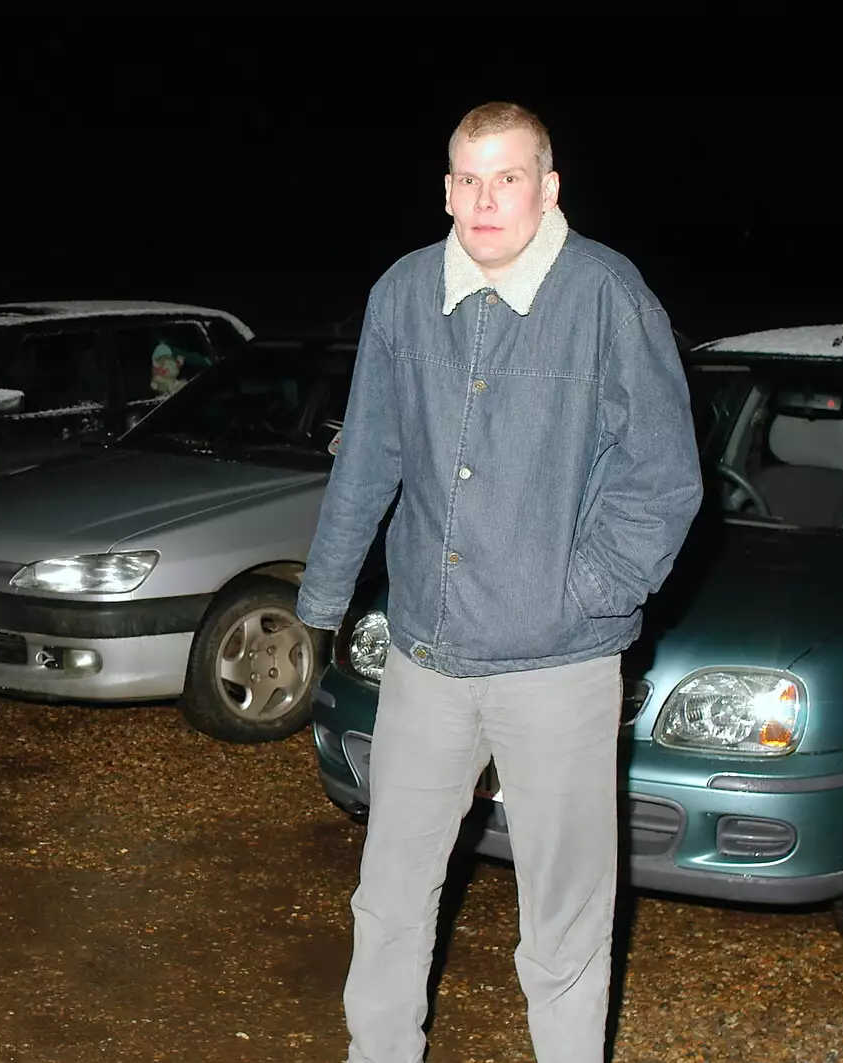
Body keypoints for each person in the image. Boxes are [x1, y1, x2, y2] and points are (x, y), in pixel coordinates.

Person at [295, 101, 703, 1063]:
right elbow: (369, 463)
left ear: (548, 187)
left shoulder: (608, 297)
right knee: (389, 888)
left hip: (556, 668)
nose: (486, 200)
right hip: (427, 657)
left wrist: (587, 592)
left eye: (508, 177)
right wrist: (320, 600)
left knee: (564, 908)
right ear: (445, 189)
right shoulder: (402, 295)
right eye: (468, 180)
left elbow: (666, 479)